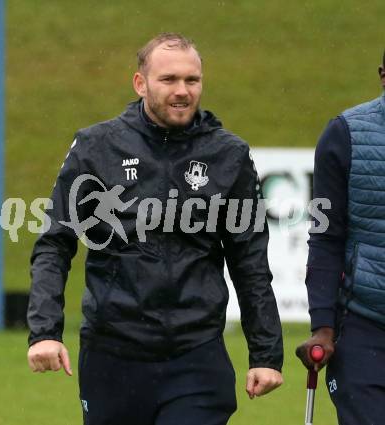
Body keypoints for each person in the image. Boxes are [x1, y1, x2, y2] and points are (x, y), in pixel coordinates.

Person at [27, 33, 283, 425]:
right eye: (169, 80)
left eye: (192, 80)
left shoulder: (228, 155)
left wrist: (266, 354)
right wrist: (45, 330)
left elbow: (249, 260)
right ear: (140, 83)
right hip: (112, 354)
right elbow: (54, 244)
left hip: (196, 354)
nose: (182, 91)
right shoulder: (96, 147)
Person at [296, 51, 385, 424]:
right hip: (365, 327)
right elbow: (326, 238)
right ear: (383, 75)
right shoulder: (345, 134)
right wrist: (323, 327)